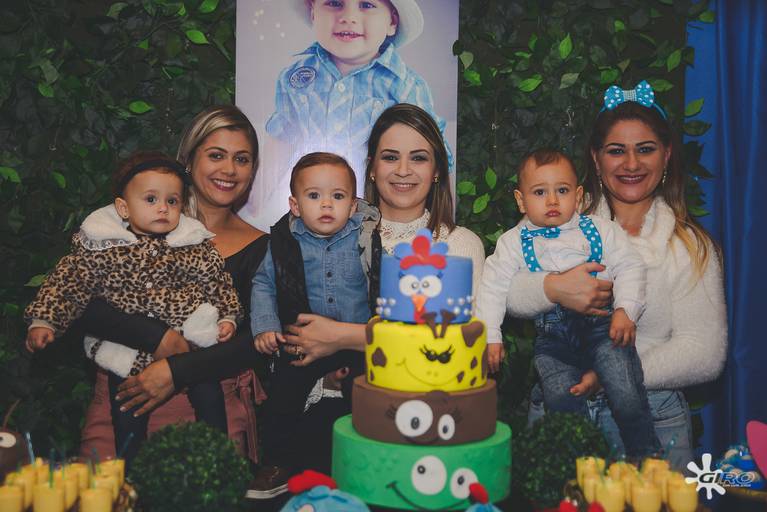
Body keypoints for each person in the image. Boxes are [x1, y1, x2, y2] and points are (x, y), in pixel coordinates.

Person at [114, 102, 484, 484]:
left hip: (417, 424)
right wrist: (320, 375)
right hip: (312, 413)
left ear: (437, 170)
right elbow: (274, 320)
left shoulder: (453, 245)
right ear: (372, 167)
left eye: (419, 157)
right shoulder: (295, 236)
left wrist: (343, 338)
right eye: (391, 157)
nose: (403, 169)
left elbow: (449, 344)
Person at [505, 82, 727, 469]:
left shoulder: (690, 246)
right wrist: (553, 287)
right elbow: (505, 293)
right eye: (616, 150)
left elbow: (704, 353)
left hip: (653, 418)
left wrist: (610, 373)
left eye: (645, 149)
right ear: (596, 158)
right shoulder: (554, 220)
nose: (631, 163)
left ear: (667, 155)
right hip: (560, 410)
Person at [76, 106, 268, 465]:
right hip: (124, 398)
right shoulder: (132, 221)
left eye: (241, 159)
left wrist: (175, 371)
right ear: (188, 161)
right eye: (216, 155)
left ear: (252, 170)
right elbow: (81, 301)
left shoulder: (262, 247)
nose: (229, 169)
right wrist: (158, 338)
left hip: (212, 413)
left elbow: (255, 340)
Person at [24, 151, 241, 464]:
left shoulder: (193, 246)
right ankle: (130, 473)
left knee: (209, 396)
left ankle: (218, 457)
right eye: (151, 199)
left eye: (172, 201)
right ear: (123, 208)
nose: (163, 208)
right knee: (127, 414)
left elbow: (217, 282)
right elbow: (67, 283)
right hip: (125, 352)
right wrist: (44, 321)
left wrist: (228, 316)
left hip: (188, 343)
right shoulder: (103, 247)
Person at [476, 148, 660, 457]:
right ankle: (579, 466)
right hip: (553, 340)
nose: (552, 201)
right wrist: (491, 336)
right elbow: (492, 288)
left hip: (604, 329)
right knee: (561, 398)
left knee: (626, 391)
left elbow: (630, 266)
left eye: (561, 191)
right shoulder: (512, 243)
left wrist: (625, 310)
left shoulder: (601, 229)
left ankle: (647, 456)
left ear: (578, 196)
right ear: (521, 200)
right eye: (540, 192)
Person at [249, 152, 376, 496]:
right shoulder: (283, 243)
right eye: (314, 195)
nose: (326, 204)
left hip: (354, 342)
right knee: (284, 393)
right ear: (295, 204)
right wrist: (265, 325)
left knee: (365, 393)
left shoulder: (365, 239)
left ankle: (364, 462)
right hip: (304, 341)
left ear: (353, 205)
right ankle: (277, 463)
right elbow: (264, 283)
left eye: (338, 196)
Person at [266, 0, 451, 197]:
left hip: (378, 204)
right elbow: (280, 142)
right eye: (334, 3)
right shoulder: (294, 77)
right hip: (312, 203)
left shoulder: (407, 86)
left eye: (366, 5)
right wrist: (257, 202)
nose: (348, 17)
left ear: (392, 22)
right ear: (313, 13)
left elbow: (434, 157)